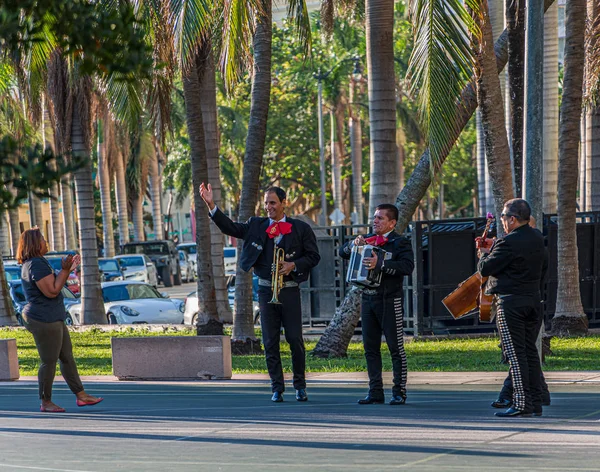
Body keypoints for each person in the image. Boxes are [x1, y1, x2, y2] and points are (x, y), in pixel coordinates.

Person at [200, 183, 320, 402]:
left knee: (295, 339)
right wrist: (212, 205)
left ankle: (300, 385)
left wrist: (293, 265)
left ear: (284, 203)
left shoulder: (301, 229)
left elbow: (314, 256)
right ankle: (277, 387)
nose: (268, 207)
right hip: (266, 291)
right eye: (266, 203)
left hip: (290, 291)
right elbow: (231, 228)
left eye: (273, 203)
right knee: (270, 341)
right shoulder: (256, 224)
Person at [18, 228, 103, 413]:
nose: (46, 241)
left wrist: (68, 270)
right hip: (44, 318)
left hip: (52, 316)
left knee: (66, 357)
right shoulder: (36, 264)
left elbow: (55, 284)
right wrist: (65, 270)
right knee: (49, 360)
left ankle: (81, 395)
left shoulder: (37, 263)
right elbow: (52, 291)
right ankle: (45, 401)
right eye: (42, 238)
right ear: (34, 243)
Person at [477, 199, 548, 417]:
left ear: (513, 219)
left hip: (511, 303)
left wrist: (483, 253)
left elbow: (485, 268)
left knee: (515, 355)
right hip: (533, 300)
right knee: (529, 351)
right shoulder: (537, 237)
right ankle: (535, 400)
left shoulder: (507, 242)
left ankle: (521, 402)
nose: (502, 221)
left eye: (504, 217)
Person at [339, 204, 414, 405]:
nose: (375, 221)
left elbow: (407, 267)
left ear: (392, 222)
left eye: (380, 218)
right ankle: (375, 391)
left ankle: (399, 391)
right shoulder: (367, 240)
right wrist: (352, 245)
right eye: (374, 217)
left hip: (390, 300)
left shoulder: (400, 242)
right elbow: (342, 251)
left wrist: (380, 264)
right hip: (368, 298)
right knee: (370, 348)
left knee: (395, 348)